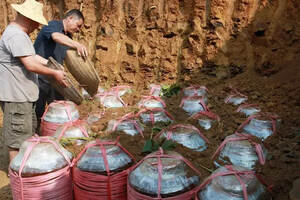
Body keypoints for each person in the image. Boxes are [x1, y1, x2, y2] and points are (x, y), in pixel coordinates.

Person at [0, 0, 67, 163]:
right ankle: (18, 175)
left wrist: (51, 64)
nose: (37, 26)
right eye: (36, 22)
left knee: (26, 135)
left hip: (22, 96)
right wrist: (54, 73)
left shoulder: (19, 35)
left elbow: (31, 56)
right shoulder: (16, 35)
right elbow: (30, 64)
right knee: (18, 141)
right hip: (17, 97)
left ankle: (23, 169)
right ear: (29, 19)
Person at [34, 9, 88, 128]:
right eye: (78, 25)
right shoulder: (53, 25)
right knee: (37, 111)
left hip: (56, 78)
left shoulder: (68, 37)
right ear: (69, 19)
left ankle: (54, 136)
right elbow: (56, 36)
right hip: (40, 76)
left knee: (59, 111)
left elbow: (70, 61)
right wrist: (77, 45)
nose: (78, 29)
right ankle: (34, 138)